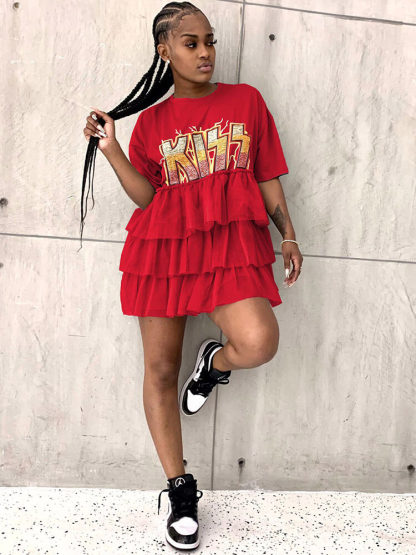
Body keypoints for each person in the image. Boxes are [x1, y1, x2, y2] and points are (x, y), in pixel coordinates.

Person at [82, 1, 303, 550]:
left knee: (259, 341)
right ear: (165, 51)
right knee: (159, 370)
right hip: (164, 251)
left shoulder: (246, 101)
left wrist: (289, 234)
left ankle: (213, 364)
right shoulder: (153, 123)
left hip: (228, 248)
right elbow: (147, 197)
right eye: (191, 43)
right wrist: (111, 149)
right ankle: (179, 489)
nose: (205, 52)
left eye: (210, 41)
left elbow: (266, 172)